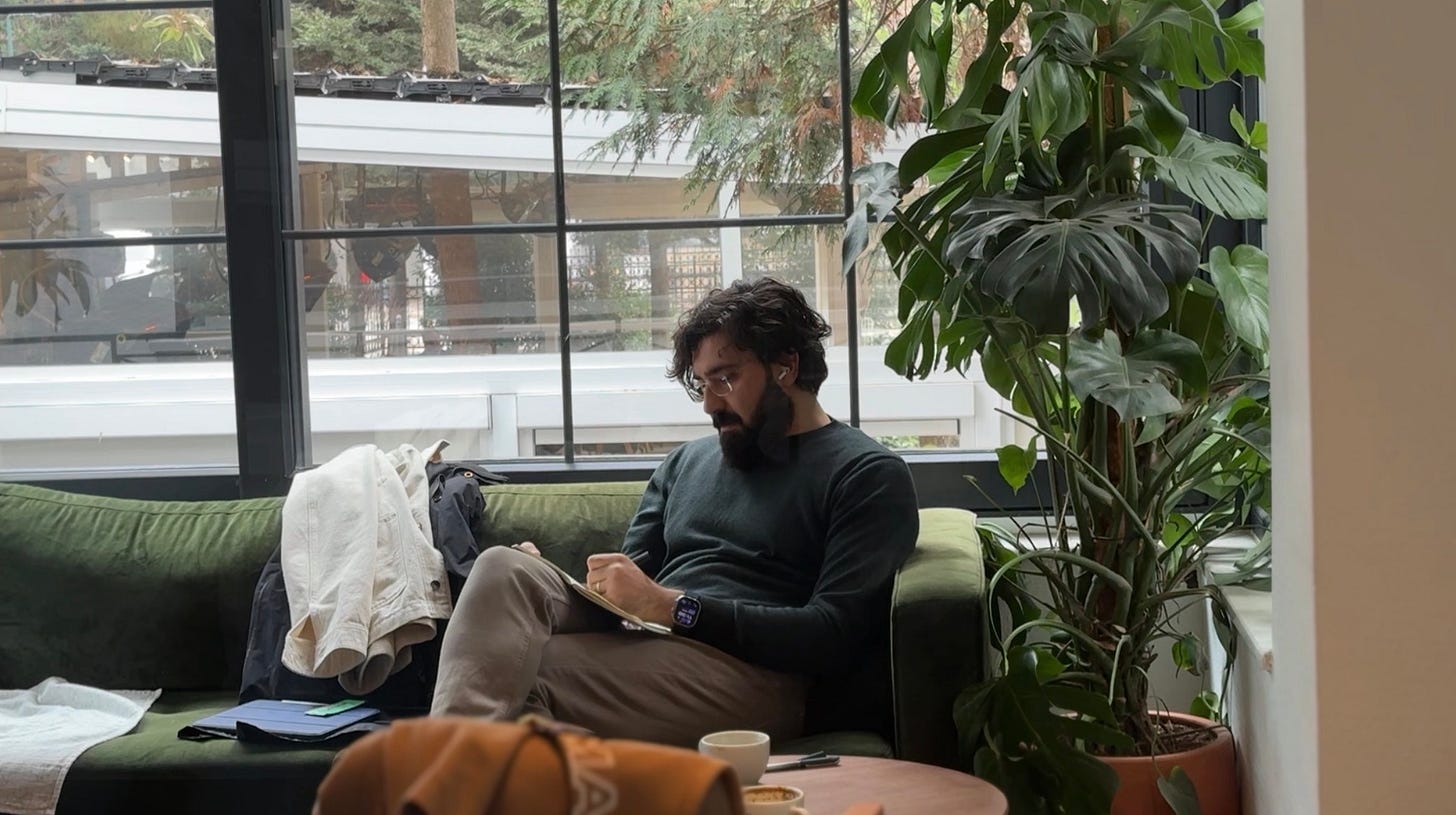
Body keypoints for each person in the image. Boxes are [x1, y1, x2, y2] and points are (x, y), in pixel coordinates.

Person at [430, 277, 920, 747]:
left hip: (756, 676)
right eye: (702, 384)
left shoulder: (865, 474)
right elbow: (629, 596)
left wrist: (677, 607)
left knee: (513, 680)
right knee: (503, 568)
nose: (709, 404)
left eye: (725, 379)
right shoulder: (687, 462)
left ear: (785, 367)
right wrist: (570, 582)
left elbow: (833, 634)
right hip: (652, 648)